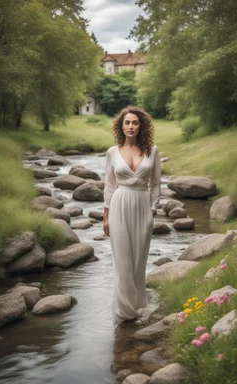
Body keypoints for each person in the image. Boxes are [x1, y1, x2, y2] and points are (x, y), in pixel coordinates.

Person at [103, 106, 161, 327]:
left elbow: (155, 184)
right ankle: (123, 312)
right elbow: (109, 185)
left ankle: (137, 307)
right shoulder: (112, 152)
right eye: (126, 123)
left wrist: (153, 210)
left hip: (142, 206)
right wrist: (105, 216)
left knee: (138, 261)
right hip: (119, 205)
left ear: (141, 126)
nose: (130, 126)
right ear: (121, 125)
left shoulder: (152, 151)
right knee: (123, 260)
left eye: (134, 123)